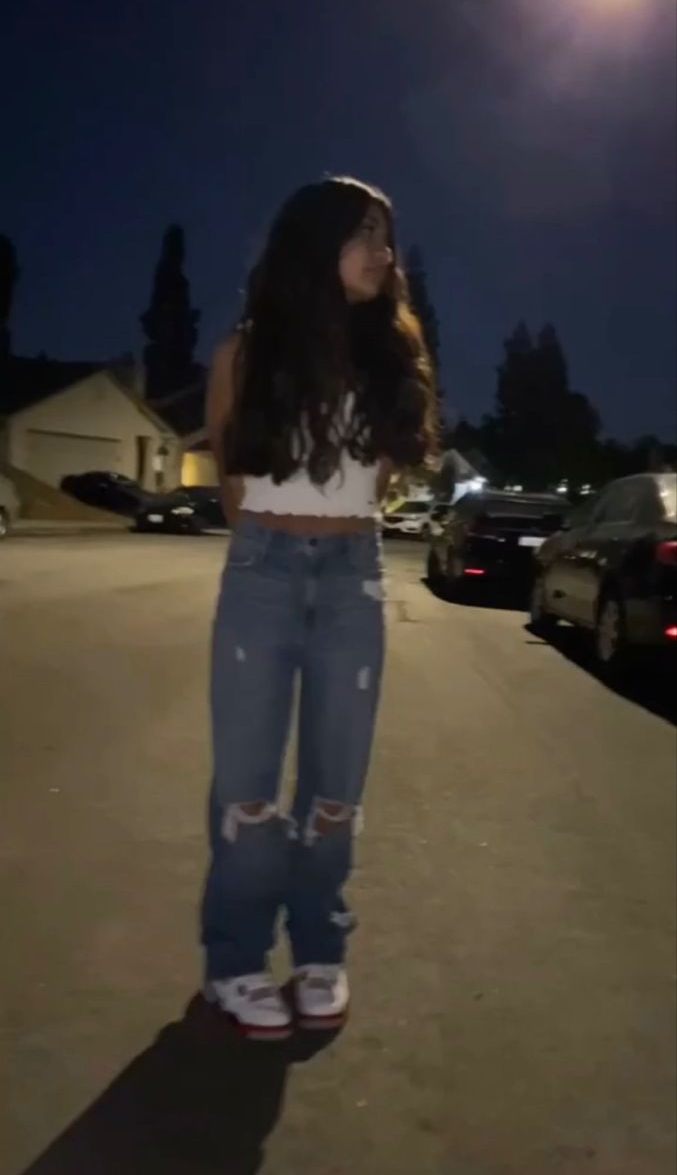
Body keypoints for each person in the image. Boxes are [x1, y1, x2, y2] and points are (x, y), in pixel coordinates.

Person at [200, 175, 437, 1040]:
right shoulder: (242, 354)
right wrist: (281, 539)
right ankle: (235, 963)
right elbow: (232, 489)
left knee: (336, 785)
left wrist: (334, 540)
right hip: (262, 568)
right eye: (364, 235)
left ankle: (318, 949)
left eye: (387, 236)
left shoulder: (389, 359)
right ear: (314, 244)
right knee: (249, 789)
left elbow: (375, 485)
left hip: (353, 575)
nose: (383, 253)